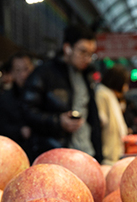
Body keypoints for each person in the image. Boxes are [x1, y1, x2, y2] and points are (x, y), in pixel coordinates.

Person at [22, 25, 103, 162]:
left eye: (91, 54)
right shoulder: (44, 73)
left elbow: (92, 118)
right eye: (83, 52)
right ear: (67, 48)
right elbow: (26, 111)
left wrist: (99, 154)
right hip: (55, 156)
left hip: (86, 154)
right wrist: (57, 121)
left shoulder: (87, 76)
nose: (87, 58)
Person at [0, 52, 34, 153]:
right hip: (15, 151)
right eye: (18, 70)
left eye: (26, 69)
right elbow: (0, 126)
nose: (23, 75)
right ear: (12, 73)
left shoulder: (43, 95)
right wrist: (19, 131)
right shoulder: (5, 98)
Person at [96, 65, 129, 164]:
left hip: (114, 153)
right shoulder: (102, 94)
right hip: (108, 154)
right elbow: (101, 120)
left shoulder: (109, 94)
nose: (125, 88)